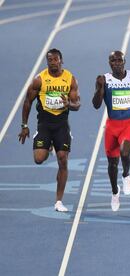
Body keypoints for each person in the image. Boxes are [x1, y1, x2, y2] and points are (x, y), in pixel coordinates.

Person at [18, 48, 80, 212]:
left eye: (55, 60)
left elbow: (77, 104)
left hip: (61, 124)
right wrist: (24, 126)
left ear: (61, 60)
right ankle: (49, 145)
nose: (53, 63)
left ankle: (59, 201)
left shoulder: (70, 79)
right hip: (44, 123)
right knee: (39, 159)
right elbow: (27, 102)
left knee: (63, 160)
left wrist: (69, 105)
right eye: (50, 60)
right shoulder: (40, 80)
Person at [93, 50, 130, 211]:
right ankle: (114, 192)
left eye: (119, 60)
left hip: (129, 124)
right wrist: (100, 89)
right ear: (109, 63)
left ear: (124, 62)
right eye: (113, 61)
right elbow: (96, 105)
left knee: (124, 153)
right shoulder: (104, 79)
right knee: (112, 164)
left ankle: (126, 175)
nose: (117, 63)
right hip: (112, 126)